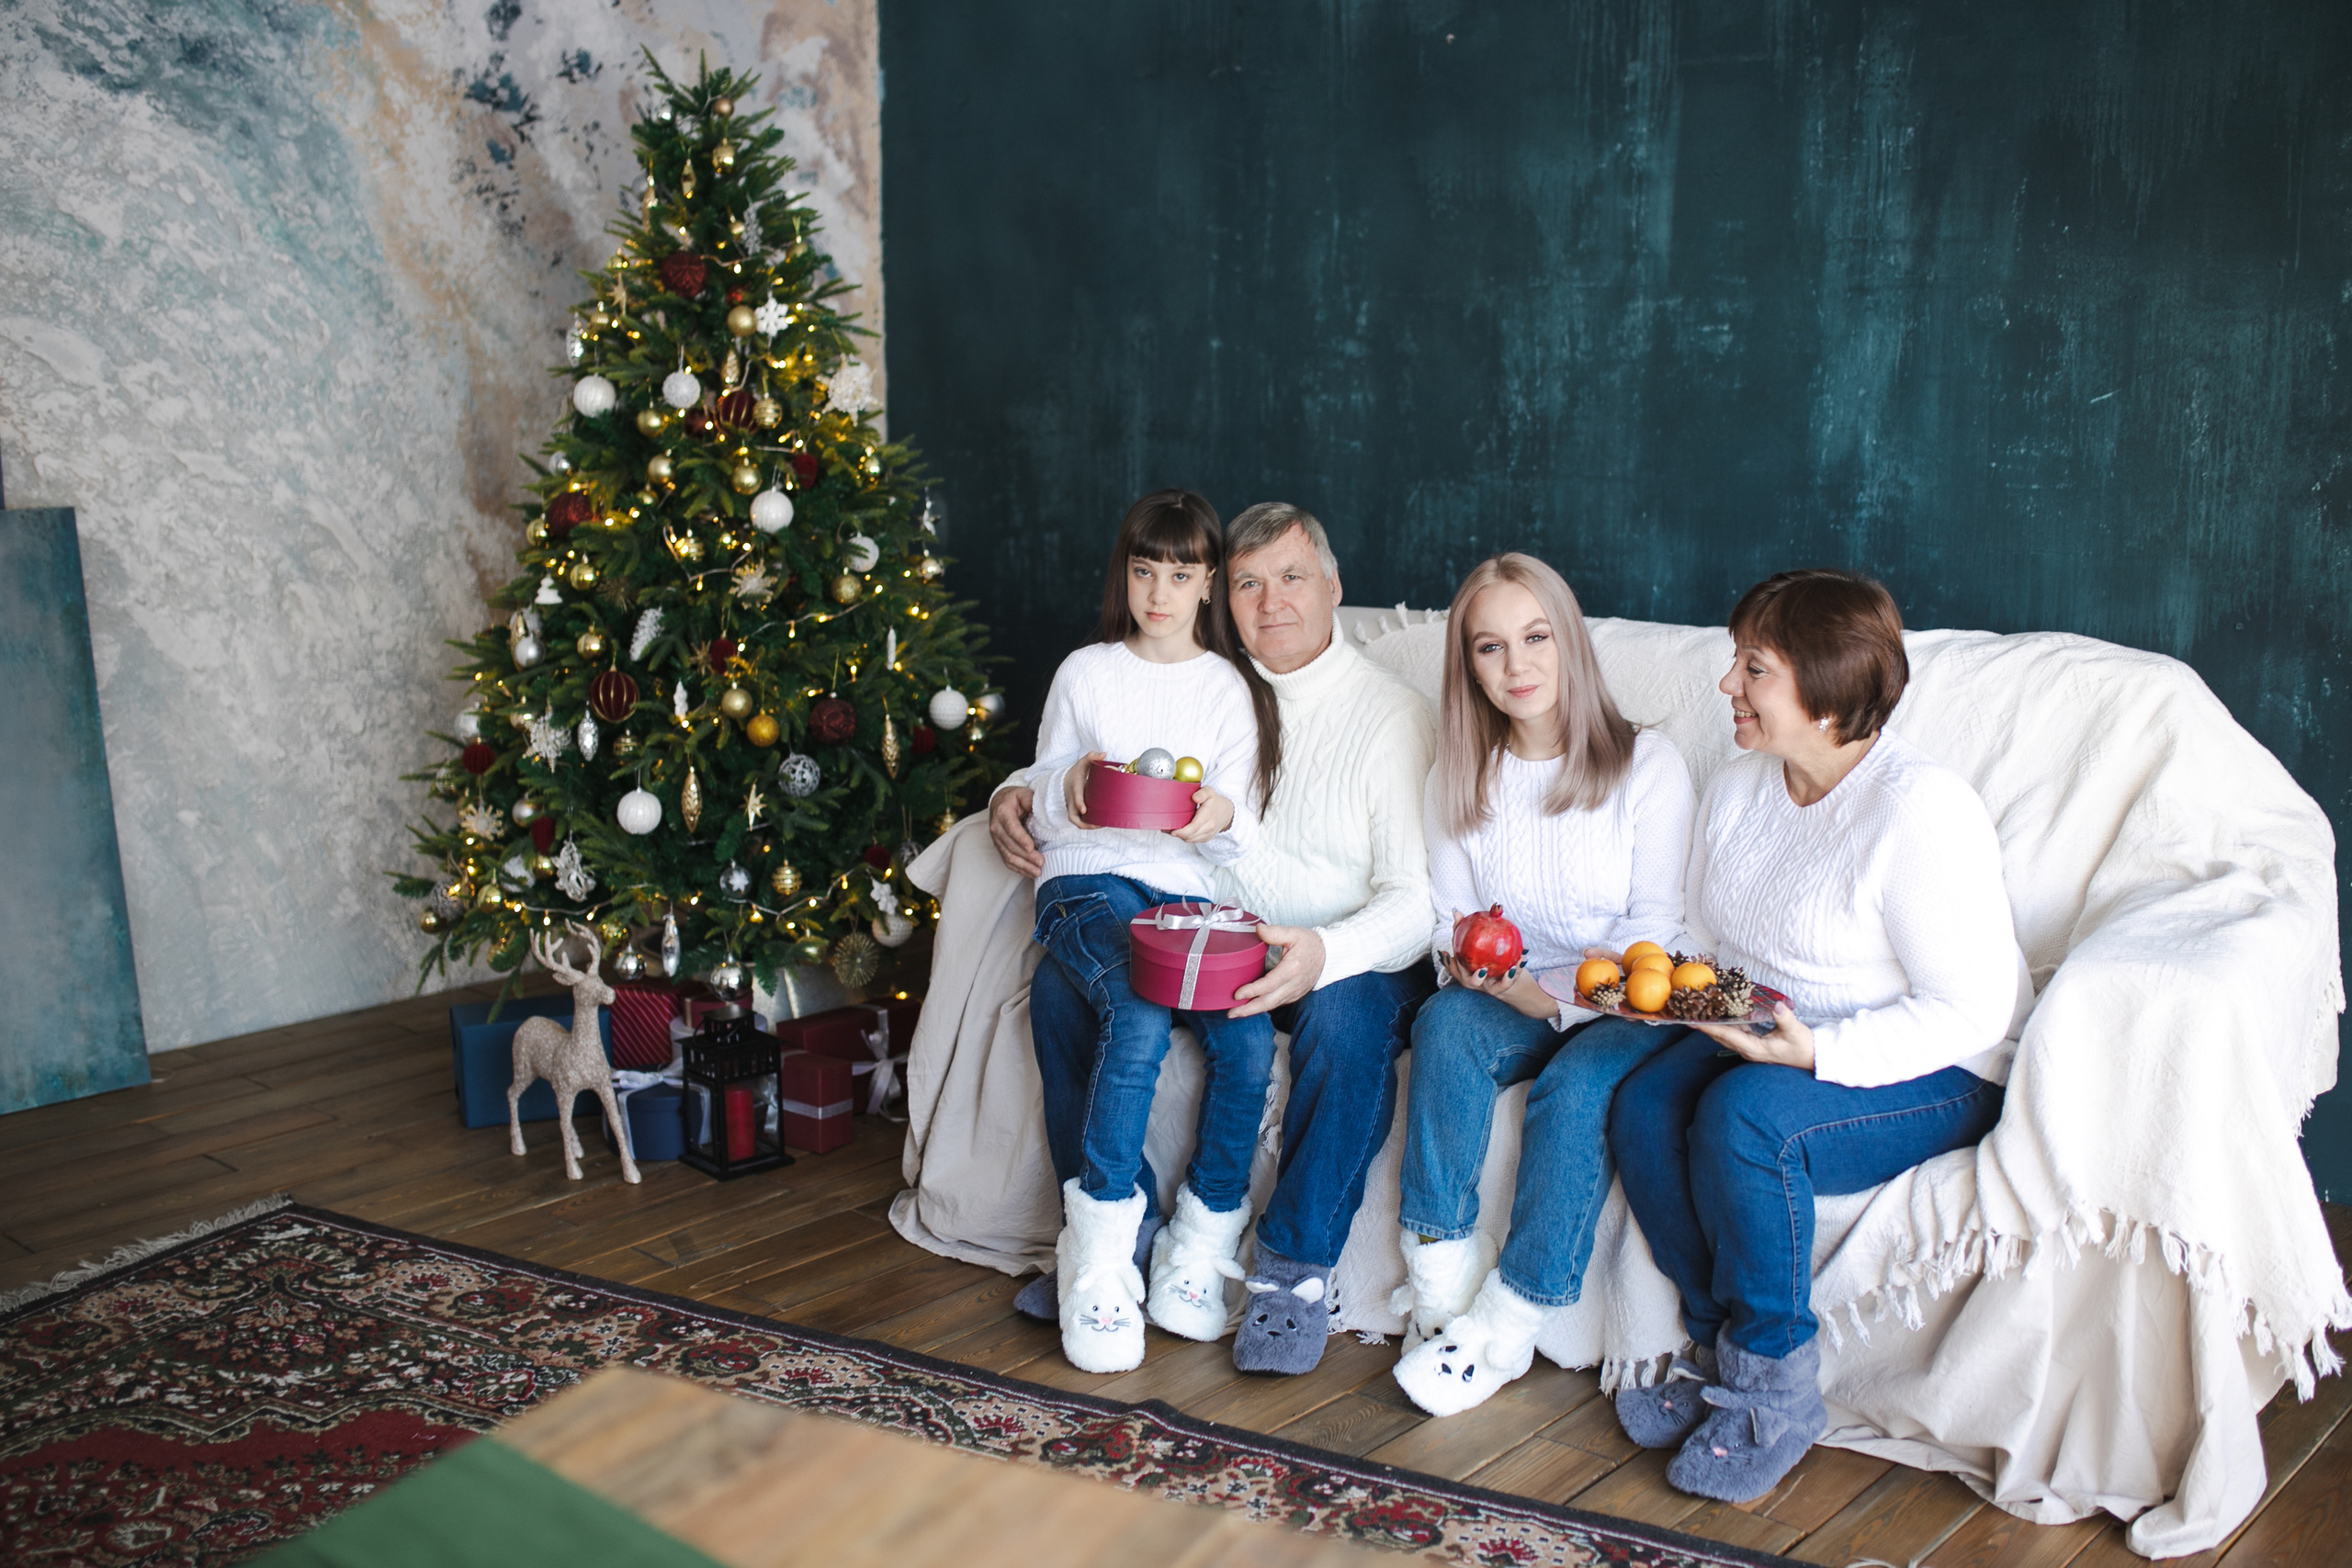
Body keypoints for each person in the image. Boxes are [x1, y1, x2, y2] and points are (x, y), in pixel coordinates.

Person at [1606, 569, 2031, 1503]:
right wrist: (1667, 997)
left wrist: (1819, 1054)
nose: (1728, 684)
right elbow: (1709, 941)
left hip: (1944, 1062)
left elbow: (1972, 1009)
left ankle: (1775, 1392)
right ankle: (1721, 1351)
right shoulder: (1739, 789)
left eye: (1753, 668)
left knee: (1746, 1118)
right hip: (1776, 1031)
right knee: (1641, 1106)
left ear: (1828, 693)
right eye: (1737, 663)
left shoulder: (1920, 810)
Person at [994, 502, 1437, 1376]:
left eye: (1292, 577)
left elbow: (1415, 901)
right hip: (1208, 931)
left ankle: (1290, 1272)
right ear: (1221, 597)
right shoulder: (1218, 684)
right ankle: (1110, 1246)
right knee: (1058, 986)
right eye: (1248, 583)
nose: (1271, 602)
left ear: (1334, 586)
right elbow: (1107, 739)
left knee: (1343, 1020)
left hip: (1345, 951)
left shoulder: (1392, 715)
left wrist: (1325, 952)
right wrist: (1017, 790)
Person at [1386, 554, 1696, 1417]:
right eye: (1490, 647)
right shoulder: (1458, 776)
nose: (1517, 666)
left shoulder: (1646, 764)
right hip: (1505, 992)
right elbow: (1449, 920)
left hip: (1627, 1003)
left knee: (1577, 1084)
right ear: (1469, 665)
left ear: (1570, 643)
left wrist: (1553, 999)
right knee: (1444, 1022)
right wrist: (1479, 972)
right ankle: (1439, 1283)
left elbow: (1658, 928)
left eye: (1536, 638)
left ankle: (1510, 1319)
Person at [1018, 489, 1279, 1373]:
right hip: (1085, 883)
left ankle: (1197, 1245)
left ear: (1208, 583)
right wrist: (1067, 788)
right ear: (1123, 575)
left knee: (1247, 1039)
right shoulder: (1085, 673)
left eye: (1179, 574)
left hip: (1184, 898)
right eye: (1143, 571)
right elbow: (1045, 796)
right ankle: (1097, 1258)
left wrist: (1217, 815)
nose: (1159, 593)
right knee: (1133, 1012)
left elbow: (1239, 824)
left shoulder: (1227, 689)